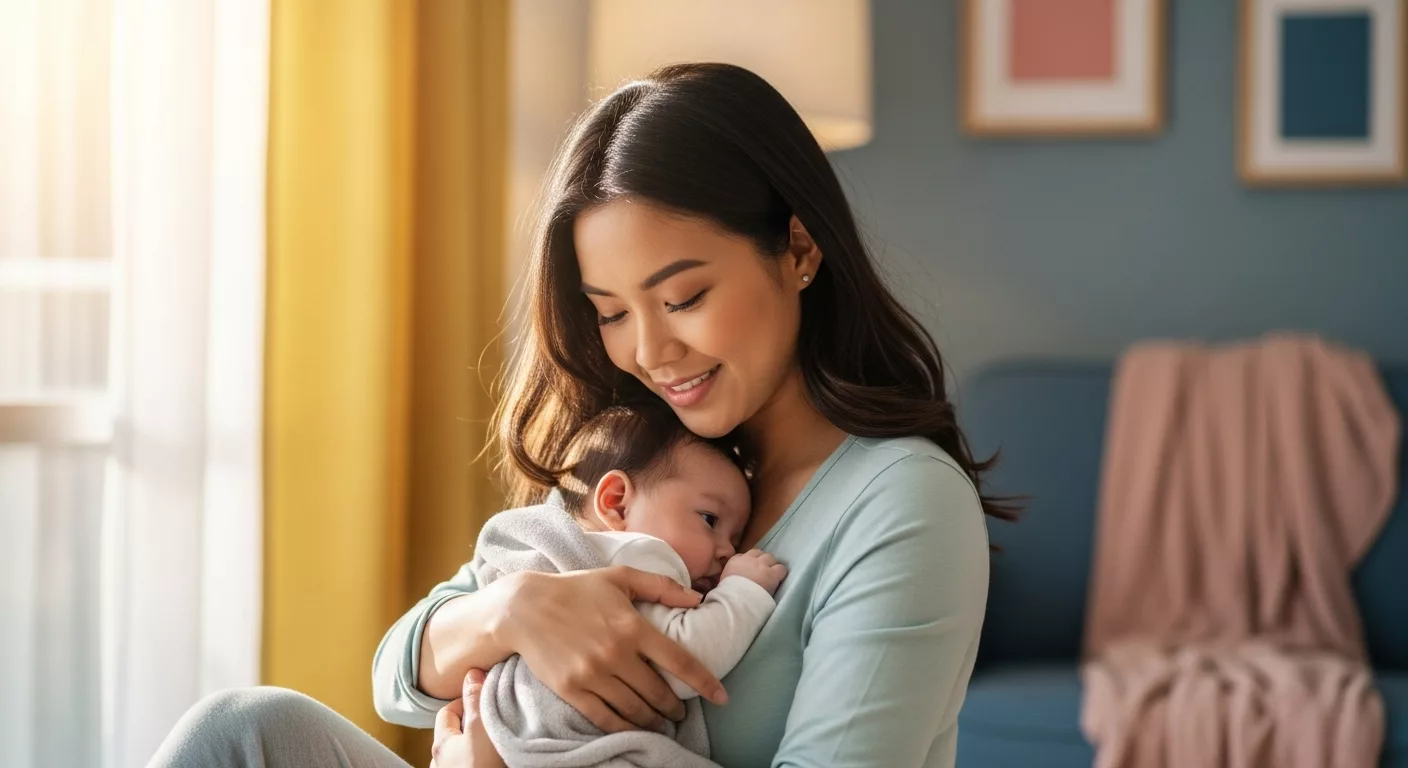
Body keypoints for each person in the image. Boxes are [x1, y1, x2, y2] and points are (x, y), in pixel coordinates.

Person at [149, 62, 1011, 768]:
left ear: (797, 249)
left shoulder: (902, 503)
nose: (649, 351)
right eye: (610, 311)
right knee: (239, 732)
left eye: (684, 296)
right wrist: (513, 613)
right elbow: (397, 674)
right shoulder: (666, 456)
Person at [465, 404, 786, 766]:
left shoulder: (552, 548)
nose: (728, 550)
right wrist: (744, 590)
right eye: (710, 519)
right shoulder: (638, 553)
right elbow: (682, 661)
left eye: (736, 537)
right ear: (617, 504)